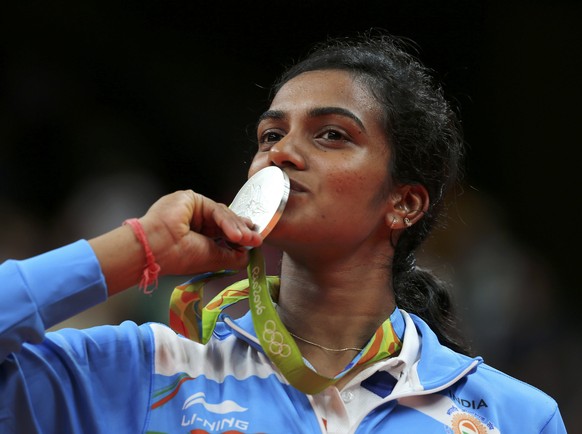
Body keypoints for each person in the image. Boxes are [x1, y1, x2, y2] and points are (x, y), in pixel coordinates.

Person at [0, 31, 566, 433]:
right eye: (270, 135)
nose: (282, 153)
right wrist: (138, 249)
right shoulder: (148, 370)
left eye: (332, 135)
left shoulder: (512, 416)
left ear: (404, 203)